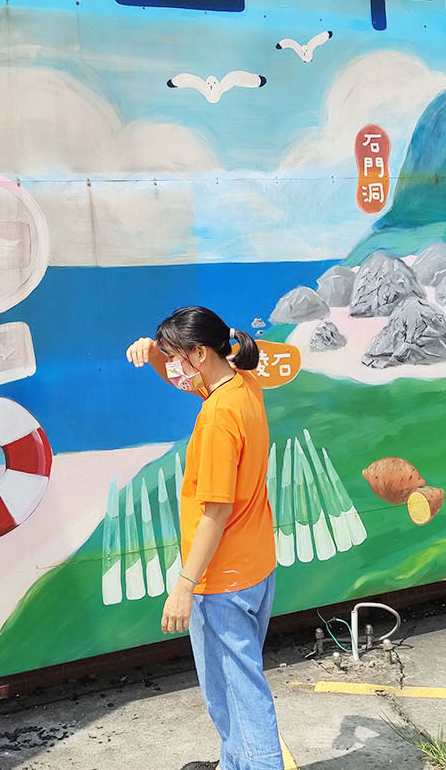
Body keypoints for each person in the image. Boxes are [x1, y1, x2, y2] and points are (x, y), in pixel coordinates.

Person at [126, 306, 282, 770]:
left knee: (237, 695)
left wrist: (185, 585)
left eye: (177, 356)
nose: (174, 367)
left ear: (199, 354)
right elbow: (188, 383)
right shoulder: (242, 385)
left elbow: (216, 512)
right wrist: (156, 356)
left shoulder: (217, 419)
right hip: (255, 567)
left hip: (221, 582)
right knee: (235, 687)